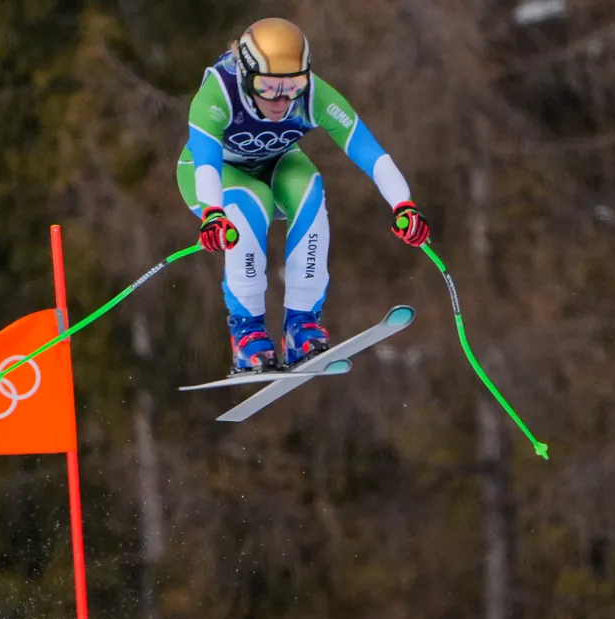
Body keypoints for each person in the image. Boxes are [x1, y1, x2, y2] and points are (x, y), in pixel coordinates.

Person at [176, 17, 432, 374]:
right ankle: (247, 333)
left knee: (309, 187)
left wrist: (404, 205)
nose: (282, 99)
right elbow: (206, 163)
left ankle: (302, 324)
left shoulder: (312, 95)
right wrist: (212, 213)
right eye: (267, 87)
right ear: (246, 77)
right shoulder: (219, 93)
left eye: (293, 85)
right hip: (212, 175)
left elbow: (368, 151)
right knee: (251, 202)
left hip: (276, 163)